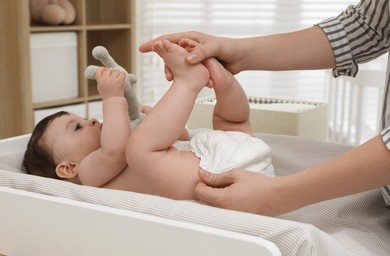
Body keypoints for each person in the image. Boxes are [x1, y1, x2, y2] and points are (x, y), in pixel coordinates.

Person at [139, 0, 390, 216]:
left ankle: (188, 83)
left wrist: (280, 195)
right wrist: (239, 53)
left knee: (140, 152)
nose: (98, 122)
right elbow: (368, 27)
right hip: (224, 159)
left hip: (220, 170)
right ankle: (221, 82)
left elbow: (110, 156)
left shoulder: (100, 169)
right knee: (224, 126)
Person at [23, 40, 274, 201]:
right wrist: (112, 98)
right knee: (139, 150)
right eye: (77, 127)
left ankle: (223, 81)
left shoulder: (115, 149)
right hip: (220, 175)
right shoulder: (87, 176)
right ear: (68, 168)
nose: (91, 122)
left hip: (217, 164)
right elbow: (116, 150)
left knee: (229, 125)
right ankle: (190, 82)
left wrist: (154, 120)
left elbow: (182, 138)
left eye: (85, 119)